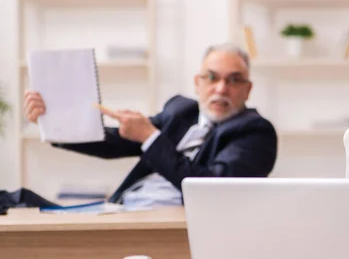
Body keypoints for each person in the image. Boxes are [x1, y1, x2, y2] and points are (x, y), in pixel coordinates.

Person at [11, 43, 277, 209]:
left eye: (234, 80)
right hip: (123, 209)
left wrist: (150, 137)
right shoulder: (181, 111)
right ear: (198, 83)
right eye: (212, 77)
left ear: (248, 89)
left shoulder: (255, 132)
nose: (221, 88)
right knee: (16, 200)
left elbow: (212, 188)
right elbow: (118, 140)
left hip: (174, 227)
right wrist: (55, 121)